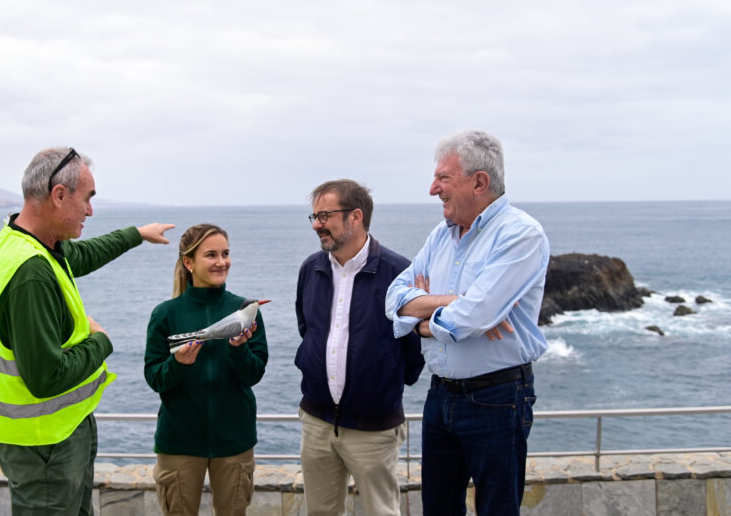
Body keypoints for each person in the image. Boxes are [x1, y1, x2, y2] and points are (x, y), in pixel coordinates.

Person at [0, 146, 174, 515]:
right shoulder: (30, 273)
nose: (91, 210)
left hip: (55, 435)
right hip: (44, 444)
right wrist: (101, 342)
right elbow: (46, 377)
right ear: (59, 195)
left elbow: (81, 256)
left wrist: (137, 234)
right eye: (88, 198)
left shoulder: (24, 241)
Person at [385, 129, 550, 516]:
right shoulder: (441, 236)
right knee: (438, 510)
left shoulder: (520, 234)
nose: (432, 189)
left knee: (497, 510)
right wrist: (451, 303)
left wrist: (422, 318)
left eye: (443, 178)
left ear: (479, 182)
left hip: (497, 399)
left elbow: (473, 317)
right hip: (440, 395)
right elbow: (393, 298)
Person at [295, 179, 424, 516]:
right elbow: (306, 330)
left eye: (324, 215)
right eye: (313, 217)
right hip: (317, 423)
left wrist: (380, 390)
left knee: (382, 512)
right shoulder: (312, 269)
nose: (317, 225)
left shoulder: (398, 272)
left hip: (375, 428)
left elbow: (412, 349)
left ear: (355, 216)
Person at [145, 223, 268, 516]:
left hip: (234, 441)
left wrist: (238, 350)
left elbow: (254, 374)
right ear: (189, 263)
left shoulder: (247, 310)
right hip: (179, 443)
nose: (221, 262)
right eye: (211, 255)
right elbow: (154, 377)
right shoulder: (165, 314)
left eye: (225, 253)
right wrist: (178, 365)